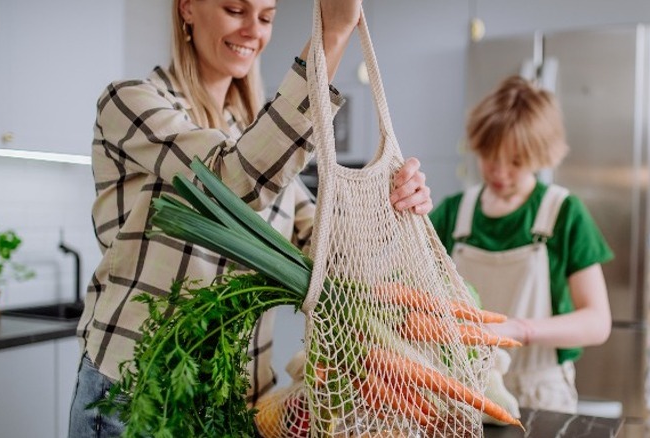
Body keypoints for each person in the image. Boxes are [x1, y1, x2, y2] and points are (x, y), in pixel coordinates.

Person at [68, 0, 432, 435]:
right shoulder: (129, 103)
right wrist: (330, 37)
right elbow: (231, 181)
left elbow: (328, 253)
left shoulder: (258, 140)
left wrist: (389, 205)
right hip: (138, 395)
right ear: (187, 9)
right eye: (235, 9)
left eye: (265, 17)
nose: (251, 31)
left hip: (235, 404)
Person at [429, 75, 612, 414]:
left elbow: (597, 322)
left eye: (515, 162)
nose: (499, 172)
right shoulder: (454, 212)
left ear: (541, 155)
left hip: (539, 394)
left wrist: (519, 329)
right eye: (488, 156)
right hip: (462, 392)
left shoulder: (564, 213)